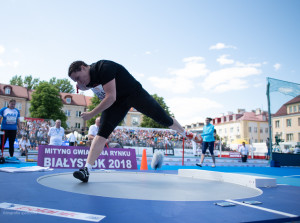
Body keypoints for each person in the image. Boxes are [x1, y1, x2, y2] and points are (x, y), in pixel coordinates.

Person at [68, 59, 201, 182]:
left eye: (78, 78)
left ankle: (185, 133)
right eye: (76, 81)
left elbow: (110, 97)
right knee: (102, 133)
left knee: (163, 119)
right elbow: (107, 97)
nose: (79, 82)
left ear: (84, 67)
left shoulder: (104, 67)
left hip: (134, 94)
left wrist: (92, 113)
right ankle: (86, 170)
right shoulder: (87, 81)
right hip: (117, 103)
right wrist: (83, 86)